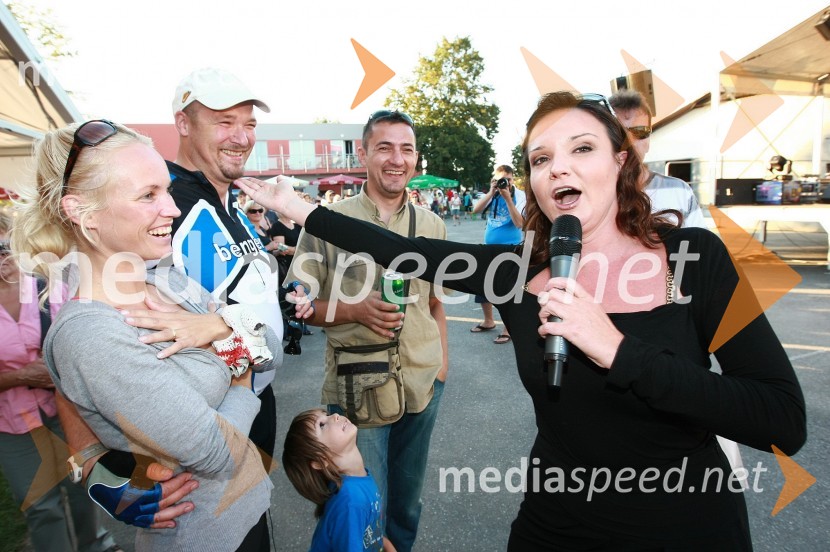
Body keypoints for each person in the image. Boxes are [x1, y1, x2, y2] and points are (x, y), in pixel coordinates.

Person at [239, 91, 806, 550]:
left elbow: (782, 418)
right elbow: (399, 248)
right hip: (555, 521)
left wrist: (618, 350)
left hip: (685, 522)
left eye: (581, 148)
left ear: (620, 160)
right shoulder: (513, 272)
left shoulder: (695, 258)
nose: (558, 166)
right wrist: (297, 208)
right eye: (541, 158)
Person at [12, 121, 282, 550]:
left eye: (167, 190)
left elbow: (273, 346)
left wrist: (220, 327)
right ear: (82, 213)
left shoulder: (166, 277)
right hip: (201, 537)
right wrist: (242, 369)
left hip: (247, 509)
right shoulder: (90, 334)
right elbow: (217, 452)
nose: (173, 209)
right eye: (147, 195)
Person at [278, 110, 449, 552]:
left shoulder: (431, 225)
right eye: (385, 147)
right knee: (365, 505)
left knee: (407, 506)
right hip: (359, 392)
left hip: (423, 385)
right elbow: (297, 306)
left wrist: (442, 368)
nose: (397, 159)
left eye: (407, 149)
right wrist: (355, 310)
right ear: (365, 154)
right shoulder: (327, 221)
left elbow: (435, 303)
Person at [610, 88, 745, 482]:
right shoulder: (592, 193)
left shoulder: (678, 191)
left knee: (688, 436)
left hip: (674, 328)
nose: (635, 140)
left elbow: (703, 267)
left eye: (643, 130)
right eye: (623, 131)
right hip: (610, 327)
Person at [0, 214, 120, 552]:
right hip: (11, 423)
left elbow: (84, 342)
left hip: (67, 410)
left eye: (5, 247)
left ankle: (94, 544)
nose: (2, 259)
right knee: (40, 503)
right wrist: (19, 376)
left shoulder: (48, 287)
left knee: (83, 487)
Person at [282, 409, 395, 552]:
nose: (334, 416)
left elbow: (372, 532)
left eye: (327, 414)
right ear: (320, 461)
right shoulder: (351, 501)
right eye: (322, 425)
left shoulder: (356, 481)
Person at [608, 89, 705, 227]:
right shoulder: (593, 195)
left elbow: (697, 246)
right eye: (620, 133)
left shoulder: (680, 191)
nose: (630, 142)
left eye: (640, 132)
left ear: (648, 140)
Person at [470, 165, 526, 344]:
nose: (505, 183)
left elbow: (520, 223)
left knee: (508, 290)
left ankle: (508, 329)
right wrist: (491, 192)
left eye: (508, 180)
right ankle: (488, 321)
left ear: (513, 179)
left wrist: (508, 199)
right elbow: (475, 210)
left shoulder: (520, 196)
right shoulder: (491, 194)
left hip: (512, 248)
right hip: (489, 248)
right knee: (482, 286)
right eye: (501, 179)